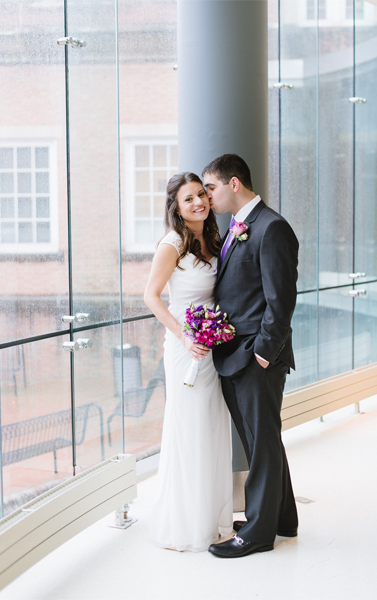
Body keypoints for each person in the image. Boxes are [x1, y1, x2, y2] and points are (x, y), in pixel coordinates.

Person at [203, 153, 299, 558]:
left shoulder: (271, 227)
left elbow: (281, 300)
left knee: (260, 444)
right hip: (235, 354)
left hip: (256, 357)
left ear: (234, 183)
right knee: (263, 440)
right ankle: (281, 518)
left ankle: (258, 533)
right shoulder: (236, 227)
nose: (208, 197)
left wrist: (262, 353)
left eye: (211, 187)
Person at [144, 172, 233, 552]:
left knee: (213, 427)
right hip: (186, 349)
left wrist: (213, 334)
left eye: (201, 195)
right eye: (188, 199)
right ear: (176, 209)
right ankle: (186, 525)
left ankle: (212, 517)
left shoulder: (214, 237)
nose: (198, 202)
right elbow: (150, 296)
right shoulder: (172, 243)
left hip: (213, 347)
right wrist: (185, 336)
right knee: (190, 429)